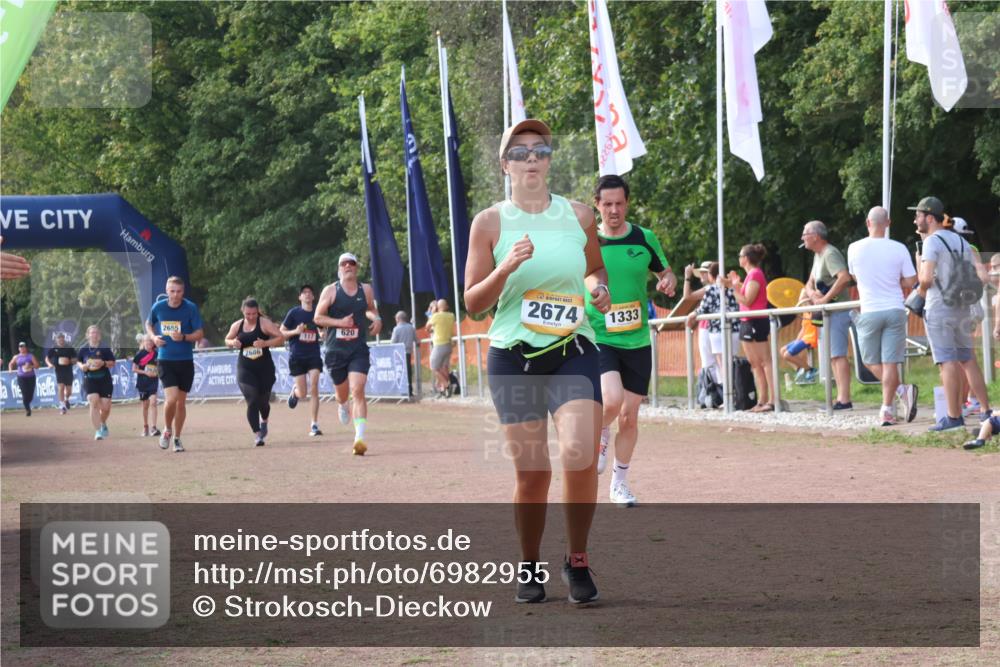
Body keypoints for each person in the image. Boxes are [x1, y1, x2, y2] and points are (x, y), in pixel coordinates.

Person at [464, 118, 610, 604]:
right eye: (520, 151)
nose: (532, 158)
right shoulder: (489, 222)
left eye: (541, 150)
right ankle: (528, 564)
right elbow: (473, 303)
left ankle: (577, 559)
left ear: (550, 161)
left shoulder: (580, 215)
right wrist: (506, 267)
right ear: (504, 164)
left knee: (580, 454)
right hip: (515, 357)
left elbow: (592, 269)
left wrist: (599, 290)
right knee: (533, 475)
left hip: (574, 350)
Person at [586, 174, 676, 507]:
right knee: (610, 401)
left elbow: (665, 270)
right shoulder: (588, 241)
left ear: (627, 203)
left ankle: (619, 484)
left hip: (637, 338)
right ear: (597, 204)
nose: (613, 210)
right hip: (600, 334)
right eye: (607, 204)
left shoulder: (644, 237)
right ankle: (599, 435)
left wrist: (667, 279)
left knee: (630, 417)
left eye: (619, 203)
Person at [907, 196, 992, 431]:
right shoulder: (961, 241)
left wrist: (920, 292)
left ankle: (953, 417)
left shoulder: (932, 242)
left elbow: (925, 278)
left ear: (930, 217)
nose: (916, 219)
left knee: (947, 362)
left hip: (940, 307)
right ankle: (986, 411)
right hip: (961, 306)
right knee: (968, 360)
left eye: (918, 215)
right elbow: (978, 275)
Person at [847, 206, 919, 427]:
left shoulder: (854, 248)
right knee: (890, 363)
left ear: (868, 223)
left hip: (869, 309)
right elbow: (911, 281)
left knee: (869, 361)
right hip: (895, 309)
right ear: (888, 223)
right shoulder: (899, 248)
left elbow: (854, 275)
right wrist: (893, 280)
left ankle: (902, 392)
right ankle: (887, 409)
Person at [314, 252, 382, 455]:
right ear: (339, 268)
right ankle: (342, 405)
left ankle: (359, 438)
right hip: (336, 351)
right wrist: (339, 323)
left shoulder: (366, 289)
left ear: (357, 268)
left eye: (352, 263)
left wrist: (376, 319)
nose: (348, 266)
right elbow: (318, 317)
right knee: (342, 394)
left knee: (358, 390)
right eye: (344, 263)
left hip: (358, 348)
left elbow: (370, 309)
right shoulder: (330, 291)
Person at [146, 276, 204, 452]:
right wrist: (154, 337)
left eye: (178, 291)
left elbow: (200, 333)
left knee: (180, 403)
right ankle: (167, 430)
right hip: (166, 360)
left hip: (185, 361)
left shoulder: (190, 308)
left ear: (183, 291)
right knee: (171, 399)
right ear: (167, 290)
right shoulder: (159, 307)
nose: (175, 295)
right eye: (172, 291)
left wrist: (184, 337)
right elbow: (149, 323)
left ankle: (177, 438)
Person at [801, 220, 854, 410]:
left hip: (837, 311)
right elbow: (809, 282)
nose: (802, 237)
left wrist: (825, 299)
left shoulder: (830, 253)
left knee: (838, 355)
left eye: (805, 233)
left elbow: (844, 277)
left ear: (815, 236)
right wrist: (812, 293)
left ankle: (844, 399)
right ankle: (840, 398)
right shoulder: (818, 256)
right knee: (833, 356)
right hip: (828, 313)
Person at [225, 298, 283, 446]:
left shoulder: (264, 323)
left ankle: (264, 420)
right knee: (252, 399)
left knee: (263, 403)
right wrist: (233, 343)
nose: (251, 317)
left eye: (253, 314)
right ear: (242, 312)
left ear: (257, 312)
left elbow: (280, 338)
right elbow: (227, 339)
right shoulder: (237, 325)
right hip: (245, 368)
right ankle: (258, 435)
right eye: (247, 314)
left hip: (265, 369)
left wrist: (265, 343)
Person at [726, 243, 775, 412]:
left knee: (765, 361)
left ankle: (772, 399)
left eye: (740, 256)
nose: (738, 259)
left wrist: (733, 288)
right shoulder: (750, 276)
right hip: (747, 321)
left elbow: (748, 300)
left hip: (756, 321)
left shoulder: (755, 274)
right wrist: (735, 283)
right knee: (755, 364)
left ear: (746, 258)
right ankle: (761, 400)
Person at [281, 284, 324, 436]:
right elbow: (282, 332)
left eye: (309, 293)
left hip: (313, 355)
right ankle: (295, 393)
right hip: (297, 356)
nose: (307, 295)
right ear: (300, 297)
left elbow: (322, 329)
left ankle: (314, 424)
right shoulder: (294, 313)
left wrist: (322, 333)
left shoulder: (318, 312)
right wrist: (296, 331)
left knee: (314, 386)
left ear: (313, 297)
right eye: (304, 293)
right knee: (303, 393)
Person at [685, 261, 739, 381]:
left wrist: (693, 313)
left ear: (711, 275)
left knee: (722, 364)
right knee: (731, 363)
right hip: (734, 329)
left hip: (717, 330)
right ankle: (734, 393)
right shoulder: (732, 288)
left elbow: (703, 308)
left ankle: (727, 394)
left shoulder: (711, 289)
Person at [77, 325, 115, 440]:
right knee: (93, 401)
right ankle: (98, 431)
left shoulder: (104, 348)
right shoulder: (83, 349)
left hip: (104, 379)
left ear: (99, 336)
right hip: (90, 378)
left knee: (106, 407)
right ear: (87, 335)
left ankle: (102, 423)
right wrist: (82, 366)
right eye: (92, 333)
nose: (94, 335)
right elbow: (78, 361)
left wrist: (103, 363)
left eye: (96, 333)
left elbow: (113, 362)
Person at [132, 335, 161, 437]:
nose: (149, 343)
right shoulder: (139, 354)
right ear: (143, 342)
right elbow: (134, 369)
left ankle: (154, 427)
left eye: (150, 341)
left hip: (153, 381)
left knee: (153, 402)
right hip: (143, 382)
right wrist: (145, 372)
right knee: (145, 405)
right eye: (147, 341)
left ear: (153, 343)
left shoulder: (157, 354)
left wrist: (157, 373)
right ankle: (145, 427)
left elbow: (160, 367)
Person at [780, 311, 819, 384]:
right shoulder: (805, 312)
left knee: (787, 355)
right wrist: (797, 341)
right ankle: (800, 370)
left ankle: (810, 370)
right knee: (782, 350)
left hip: (811, 338)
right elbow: (803, 328)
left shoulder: (815, 311)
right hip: (805, 337)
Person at [427, 299, 456, 397]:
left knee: (434, 367)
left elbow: (427, 327)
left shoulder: (435, 316)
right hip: (448, 344)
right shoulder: (451, 316)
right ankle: (445, 390)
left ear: (437, 307)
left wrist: (432, 312)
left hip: (439, 344)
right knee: (444, 367)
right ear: (447, 306)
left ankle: (447, 385)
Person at [45, 332, 76, 414]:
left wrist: (69, 361)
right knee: (61, 387)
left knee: (69, 391)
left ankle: (66, 399)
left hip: (68, 370)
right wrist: (49, 364)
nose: (60, 339)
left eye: (62, 338)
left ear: (64, 339)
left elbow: (76, 359)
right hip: (59, 370)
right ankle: (62, 406)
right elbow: (47, 358)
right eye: (59, 338)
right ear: (56, 339)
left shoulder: (69, 348)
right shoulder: (53, 348)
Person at [390, 310, 418, 398]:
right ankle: (409, 390)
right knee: (408, 372)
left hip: (399, 354)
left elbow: (393, 342)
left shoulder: (396, 329)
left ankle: (401, 390)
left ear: (398, 319)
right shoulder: (411, 327)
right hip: (408, 352)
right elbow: (416, 339)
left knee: (400, 372)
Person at [9, 342, 40, 416]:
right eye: (20, 347)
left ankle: (27, 403)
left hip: (31, 377)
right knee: (25, 393)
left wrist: (30, 366)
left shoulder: (30, 356)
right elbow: (11, 363)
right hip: (21, 377)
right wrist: (10, 369)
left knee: (30, 394)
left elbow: (37, 365)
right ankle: (27, 409)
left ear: (26, 348)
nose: (22, 348)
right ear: (18, 348)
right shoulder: (16, 357)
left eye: (23, 347)